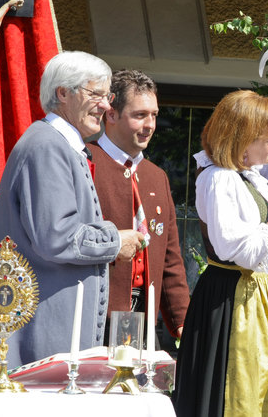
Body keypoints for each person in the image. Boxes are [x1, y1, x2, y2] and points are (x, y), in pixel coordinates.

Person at [172, 89, 268, 417]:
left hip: (257, 298)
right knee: (239, 391)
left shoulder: (246, 174)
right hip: (233, 300)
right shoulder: (218, 179)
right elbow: (244, 250)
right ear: (242, 140)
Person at [0, 51, 144, 371]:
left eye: (108, 96)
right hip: (40, 337)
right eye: (96, 94)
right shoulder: (47, 146)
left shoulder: (57, 144)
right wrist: (115, 241)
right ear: (63, 93)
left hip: (48, 330)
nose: (105, 105)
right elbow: (56, 235)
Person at [86, 69, 189, 345]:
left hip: (144, 320)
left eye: (154, 115)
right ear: (111, 114)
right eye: (140, 115)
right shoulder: (85, 162)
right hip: (95, 319)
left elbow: (170, 257)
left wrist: (182, 320)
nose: (150, 125)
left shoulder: (157, 176)